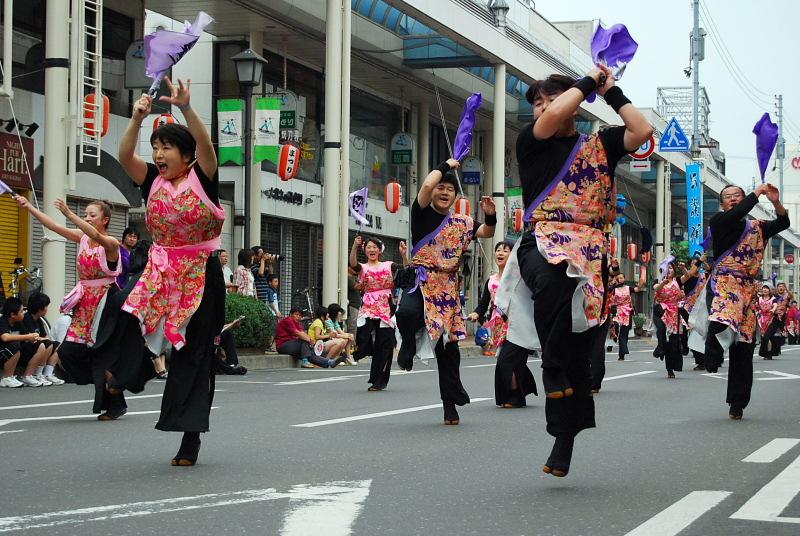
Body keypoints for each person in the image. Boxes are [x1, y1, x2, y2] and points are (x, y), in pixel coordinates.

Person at [493, 67, 653, 477]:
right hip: (542, 239)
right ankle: (550, 366)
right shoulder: (531, 141)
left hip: (590, 252)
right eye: (537, 102)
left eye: (551, 98)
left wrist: (609, 90)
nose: (543, 107)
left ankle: (564, 439)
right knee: (552, 278)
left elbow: (642, 130)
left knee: (579, 353)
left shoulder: (600, 145)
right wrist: (585, 82)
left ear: (578, 105)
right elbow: (551, 118)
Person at [117, 78, 226, 465]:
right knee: (124, 314)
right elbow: (125, 156)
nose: (159, 154)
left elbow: (207, 146)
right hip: (161, 272)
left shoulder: (203, 177)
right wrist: (136, 119)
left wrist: (185, 108)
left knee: (194, 355)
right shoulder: (152, 180)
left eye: (166, 147)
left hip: (201, 276)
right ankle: (127, 375)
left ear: (186, 155)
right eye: (156, 147)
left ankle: (189, 438)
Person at [394, 158, 496, 426]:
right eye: (441, 187)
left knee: (448, 351)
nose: (444, 192)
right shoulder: (421, 213)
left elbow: (486, 232)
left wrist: (491, 215)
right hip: (422, 280)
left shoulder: (462, 222)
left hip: (448, 290)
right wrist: (446, 165)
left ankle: (450, 405)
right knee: (406, 313)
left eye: (450, 189)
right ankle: (407, 344)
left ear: (455, 196)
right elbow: (427, 184)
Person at [15, 194, 124, 413]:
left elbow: (95, 234)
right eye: (86, 215)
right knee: (68, 350)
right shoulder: (82, 237)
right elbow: (54, 227)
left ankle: (114, 402)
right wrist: (29, 207)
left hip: (105, 302)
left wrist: (69, 213)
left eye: (92, 215)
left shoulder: (111, 243)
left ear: (105, 220)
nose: (87, 218)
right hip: (85, 302)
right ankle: (107, 380)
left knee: (101, 351)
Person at [689, 183, 789, 420]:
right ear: (722, 204)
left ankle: (737, 402)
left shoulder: (757, 227)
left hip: (748, 290)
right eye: (727, 197)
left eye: (737, 196)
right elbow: (737, 214)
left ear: (744, 199)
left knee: (744, 347)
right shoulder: (718, 222)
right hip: (724, 283)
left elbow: (783, 223)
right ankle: (712, 353)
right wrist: (757, 192)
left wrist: (775, 202)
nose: (732, 199)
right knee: (723, 317)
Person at [349, 236, 408, 390]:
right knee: (364, 334)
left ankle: (379, 380)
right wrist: (354, 246)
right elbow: (353, 264)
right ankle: (360, 352)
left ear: (380, 250)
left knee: (385, 344)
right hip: (368, 306)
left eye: (374, 247)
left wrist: (403, 255)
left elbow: (405, 269)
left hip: (385, 306)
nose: (372, 250)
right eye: (369, 247)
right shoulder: (363, 267)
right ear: (365, 250)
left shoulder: (388, 265)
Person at [469, 240, 514, 358]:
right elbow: (483, 304)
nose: (500, 253)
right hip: (498, 324)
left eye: (505, 251)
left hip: (514, 323)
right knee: (504, 360)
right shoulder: (491, 280)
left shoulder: (517, 278)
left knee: (509, 359)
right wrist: (476, 313)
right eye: (498, 250)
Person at [0, 298, 49, 387]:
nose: (24, 313)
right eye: (21, 311)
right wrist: (28, 337)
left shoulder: (18, 323)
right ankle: (6, 378)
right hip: (3, 354)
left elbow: (27, 336)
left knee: (40, 345)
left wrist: (34, 337)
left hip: (14, 354)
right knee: (15, 345)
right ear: (13, 314)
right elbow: (5, 337)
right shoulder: (2, 321)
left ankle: (28, 376)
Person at [21, 292, 64, 385]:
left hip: (38, 346)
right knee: (46, 344)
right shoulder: (26, 318)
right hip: (26, 349)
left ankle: (47, 373)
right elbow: (31, 337)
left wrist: (45, 339)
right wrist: (44, 340)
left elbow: (44, 336)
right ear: (40, 308)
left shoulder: (39, 320)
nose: (47, 309)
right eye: (46, 306)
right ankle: (36, 374)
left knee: (58, 346)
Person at [653, 260, 685, 379]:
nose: (668, 270)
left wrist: (684, 269)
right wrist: (663, 283)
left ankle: (670, 368)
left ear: (674, 270)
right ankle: (660, 347)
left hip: (674, 313)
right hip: (661, 311)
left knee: (673, 343)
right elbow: (656, 289)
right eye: (666, 268)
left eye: (670, 268)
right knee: (661, 331)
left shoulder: (678, 281)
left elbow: (688, 275)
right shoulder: (658, 281)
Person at [609, 273, 644, 363]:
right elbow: (609, 298)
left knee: (623, 334)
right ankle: (613, 340)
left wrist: (640, 284)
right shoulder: (614, 289)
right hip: (617, 311)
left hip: (627, 312)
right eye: (618, 278)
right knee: (615, 327)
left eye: (621, 278)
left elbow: (637, 289)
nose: (620, 279)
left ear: (624, 279)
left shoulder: (629, 288)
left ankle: (622, 354)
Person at [768, 282, 793, 358]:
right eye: (779, 286)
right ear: (777, 288)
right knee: (773, 333)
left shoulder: (786, 296)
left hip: (783, 316)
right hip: (774, 316)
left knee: (780, 334)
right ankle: (771, 351)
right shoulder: (774, 296)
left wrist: (787, 290)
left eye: (782, 286)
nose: (781, 288)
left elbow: (791, 297)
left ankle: (777, 349)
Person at [756, 285, 777, 359]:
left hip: (771, 319)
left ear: (770, 290)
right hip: (762, 320)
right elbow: (756, 307)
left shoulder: (773, 299)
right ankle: (767, 353)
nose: (765, 290)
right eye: (764, 288)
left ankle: (768, 354)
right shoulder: (759, 299)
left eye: (767, 288)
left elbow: (775, 305)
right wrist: (757, 311)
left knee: (767, 337)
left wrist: (773, 310)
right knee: (764, 338)